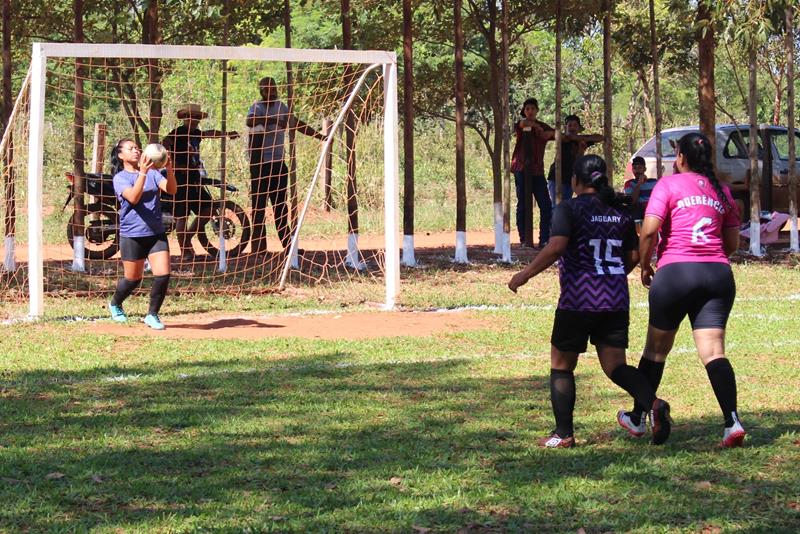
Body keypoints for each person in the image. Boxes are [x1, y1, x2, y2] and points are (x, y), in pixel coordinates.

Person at [509, 154, 671, 448]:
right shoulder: (619, 212)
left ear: (575, 181)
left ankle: (564, 434)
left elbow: (557, 246)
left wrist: (525, 274)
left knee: (561, 366)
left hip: (578, 299)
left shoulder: (568, 209)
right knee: (616, 367)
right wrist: (613, 273)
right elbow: (635, 254)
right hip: (615, 299)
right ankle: (654, 403)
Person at [617, 132, 745, 448]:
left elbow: (648, 232)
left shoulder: (668, 185)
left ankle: (637, 417)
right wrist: (708, 263)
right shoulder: (722, 191)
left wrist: (646, 265)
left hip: (675, 273)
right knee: (714, 352)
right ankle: (732, 422)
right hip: (717, 274)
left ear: (682, 158)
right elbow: (731, 244)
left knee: (656, 351)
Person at [246, 77, 325, 254]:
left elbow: (297, 124)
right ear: (261, 91)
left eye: (273, 88)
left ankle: (289, 247)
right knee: (258, 207)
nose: (271, 92)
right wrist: (274, 122)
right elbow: (250, 121)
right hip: (260, 164)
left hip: (278, 163)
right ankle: (258, 248)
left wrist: (321, 137)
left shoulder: (282, 107)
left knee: (281, 206)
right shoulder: (256, 107)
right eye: (267, 89)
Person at [108, 138, 178, 330]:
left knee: (163, 274)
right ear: (121, 155)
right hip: (132, 235)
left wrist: (169, 168)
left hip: (155, 233)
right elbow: (133, 197)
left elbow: (171, 189)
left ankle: (152, 315)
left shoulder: (154, 174)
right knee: (133, 279)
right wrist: (143, 173)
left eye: (137, 148)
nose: (136, 151)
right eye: (130, 149)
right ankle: (115, 303)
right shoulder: (120, 178)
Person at [162, 104, 239, 261]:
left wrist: (226, 134)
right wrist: (170, 161)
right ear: (185, 118)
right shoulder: (178, 132)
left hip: (195, 179)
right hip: (180, 179)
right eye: (192, 117)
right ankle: (185, 251)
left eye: (197, 117)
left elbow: (209, 133)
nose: (195, 120)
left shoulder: (196, 133)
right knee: (181, 216)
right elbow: (165, 142)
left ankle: (188, 237)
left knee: (209, 209)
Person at [511, 98, 554, 248]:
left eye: (532, 109)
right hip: (521, 169)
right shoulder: (522, 124)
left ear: (537, 110)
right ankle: (524, 239)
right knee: (523, 203)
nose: (530, 111)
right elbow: (524, 124)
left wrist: (545, 133)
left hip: (537, 171)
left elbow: (555, 134)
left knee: (546, 205)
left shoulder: (543, 126)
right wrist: (537, 127)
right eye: (527, 109)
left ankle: (544, 239)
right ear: (524, 111)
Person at [546, 114, 603, 205]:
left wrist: (580, 139)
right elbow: (557, 135)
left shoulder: (581, 140)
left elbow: (600, 137)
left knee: (565, 206)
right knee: (556, 206)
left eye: (575, 125)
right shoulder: (562, 138)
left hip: (570, 179)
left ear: (578, 128)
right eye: (570, 125)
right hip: (556, 177)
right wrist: (575, 138)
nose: (572, 127)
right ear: (566, 127)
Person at [622, 156, 658, 221]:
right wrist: (639, 184)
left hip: (653, 214)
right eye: (634, 168)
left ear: (645, 169)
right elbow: (632, 201)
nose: (637, 171)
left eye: (640, 168)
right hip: (638, 215)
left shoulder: (654, 182)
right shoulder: (629, 184)